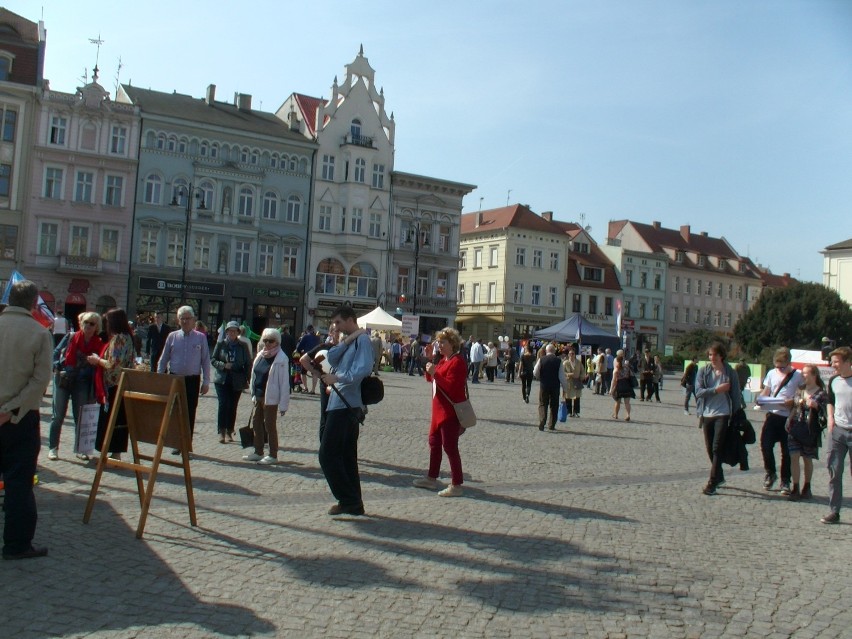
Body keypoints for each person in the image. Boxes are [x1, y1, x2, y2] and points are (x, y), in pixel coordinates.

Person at [0, 280, 53, 560]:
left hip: (12, 414)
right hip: (19, 420)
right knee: (19, 483)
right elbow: (41, 380)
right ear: (34, 303)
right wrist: (10, 410)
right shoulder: (39, 332)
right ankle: (17, 544)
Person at [318, 306, 374, 516]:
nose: (336, 327)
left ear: (351, 320)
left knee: (327, 455)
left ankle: (347, 499)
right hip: (338, 402)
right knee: (345, 455)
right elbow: (331, 357)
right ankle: (354, 502)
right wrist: (348, 339)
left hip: (348, 405)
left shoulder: (364, 341)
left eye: (339, 323)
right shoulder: (352, 340)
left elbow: (363, 369)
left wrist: (338, 378)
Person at [413, 327, 469, 497]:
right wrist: (429, 361)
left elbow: (451, 387)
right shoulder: (444, 360)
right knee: (434, 443)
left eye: (442, 342)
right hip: (438, 411)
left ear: (452, 344)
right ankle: (431, 478)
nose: (439, 345)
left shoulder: (457, 361)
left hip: (449, 412)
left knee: (450, 447)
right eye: (438, 342)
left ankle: (457, 484)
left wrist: (434, 373)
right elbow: (431, 379)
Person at [48, 311, 103, 461]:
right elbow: (56, 352)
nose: (88, 326)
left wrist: (97, 361)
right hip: (64, 379)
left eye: (92, 324)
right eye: (85, 322)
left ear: (97, 326)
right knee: (58, 415)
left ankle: (81, 450)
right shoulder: (71, 336)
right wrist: (56, 367)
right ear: (81, 323)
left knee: (80, 417)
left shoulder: (98, 343)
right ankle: (53, 448)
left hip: (82, 382)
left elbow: (101, 364)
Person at [158, 305, 211, 454]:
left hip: (192, 380)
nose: (186, 321)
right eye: (183, 319)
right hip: (175, 378)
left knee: (189, 412)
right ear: (178, 320)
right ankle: (177, 442)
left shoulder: (200, 338)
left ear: (194, 320)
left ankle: (186, 445)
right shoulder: (172, 336)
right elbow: (163, 359)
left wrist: (206, 381)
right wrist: (160, 377)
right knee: (175, 411)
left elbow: (205, 360)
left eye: (188, 318)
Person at [87, 308, 136, 460]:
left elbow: (112, 364)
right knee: (119, 419)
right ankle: (116, 453)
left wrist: (97, 360)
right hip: (122, 383)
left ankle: (108, 452)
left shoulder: (119, 339)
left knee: (110, 419)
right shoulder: (128, 336)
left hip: (113, 385)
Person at [694, 340, 742, 496]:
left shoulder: (730, 372)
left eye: (714, 354)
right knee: (709, 448)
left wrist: (736, 414)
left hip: (723, 413)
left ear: (721, 356)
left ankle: (712, 482)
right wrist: (716, 390)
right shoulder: (703, 371)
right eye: (709, 354)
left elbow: (736, 395)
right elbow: (699, 392)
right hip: (707, 413)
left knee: (717, 447)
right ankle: (719, 475)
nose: (711, 357)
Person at [758, 347, 802, 495]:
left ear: (789, 362)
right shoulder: (771, 373)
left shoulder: (797, 375)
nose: (780, 369)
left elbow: (802, 394)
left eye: (783, 367)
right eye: (777, 366)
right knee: (765, 445)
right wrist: (761, 399)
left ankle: (785, 480)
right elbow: (766, 391)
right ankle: (770, 472)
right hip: (772, 415)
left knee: (786, 451)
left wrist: (793, 401)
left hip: (788, 417)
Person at [244, 328, 289, 465]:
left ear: (277, 342)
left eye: (271, 341)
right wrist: (252, 392)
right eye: (265, 340)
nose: (268, 343)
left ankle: (273, 454)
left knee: (269, 425)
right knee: (256, 423)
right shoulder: (260, 355)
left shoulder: (282, 358)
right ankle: (258, 451)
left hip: (271, 397)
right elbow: (254, 374)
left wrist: (283, 404)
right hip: (258, 395)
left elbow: (284, 383)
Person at [786, 364, 827, 501]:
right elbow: (795, 407)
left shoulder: (821, 392)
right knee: (794, 456)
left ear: (814, 375)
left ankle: (807, 486)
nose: (803, 375)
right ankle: (795, 487)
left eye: (805, 373)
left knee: (807, 459)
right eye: (802, 373)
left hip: (810, 430)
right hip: (796, 427)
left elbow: (825, 411)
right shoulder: (800, 390)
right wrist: (789, 419)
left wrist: (816, 405)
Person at [821, 346, 852, 524]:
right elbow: (830, 401)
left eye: (837, 362)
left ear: (848, 362)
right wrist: (831, 418)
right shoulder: (833, 380)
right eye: (832, 362)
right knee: (834, 471)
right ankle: (834, 511)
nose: (833, 365)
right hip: (838, 431)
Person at [211, 321, 252, 444]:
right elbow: (213, 359)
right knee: (223, 404)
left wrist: (249, 379)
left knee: (232, 406)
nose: (232, 333)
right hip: (222, 379)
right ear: (227, 332)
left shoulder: (243, 346)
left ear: (238, 332)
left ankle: (230, 430)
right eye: (230, 331)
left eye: (235, 331)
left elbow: (248, 363)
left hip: (237, 379)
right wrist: (223, 365)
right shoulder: (221, 344)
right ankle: (221, 431)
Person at [300, 321, 341, 440]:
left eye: (341, 331)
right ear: (331, 333)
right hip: (327, 387)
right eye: (337, 331)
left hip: (342, 386)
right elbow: (304, 360)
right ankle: (324, 444)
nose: (339, 334)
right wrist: (319, 374)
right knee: (326, 416)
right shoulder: (324, 347)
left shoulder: (345, 348)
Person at [533, 344, 568, 431]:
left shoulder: (542, 359)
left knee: (542, 403)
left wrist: (539, 377)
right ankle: (551, 424)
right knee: (554, 405)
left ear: (546, 351)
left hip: (544, 385)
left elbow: (535, 372)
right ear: (554, 351)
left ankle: (542, 420)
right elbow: (561, 376)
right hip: (555, 386)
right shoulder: (558, 361)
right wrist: (565, 387)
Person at [610, 349, 635, 421]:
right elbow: (632, 375)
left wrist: (611, 389)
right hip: (627, 385)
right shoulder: (627, 367)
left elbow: (614, 380)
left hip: (619, 385)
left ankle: (616, 414)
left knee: (617, 401)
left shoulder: (616, 370)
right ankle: (628, 415)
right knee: (627, 402)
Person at [295, 325, 320, 394]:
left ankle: (306, 388)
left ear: (307, 330)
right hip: (316, 356)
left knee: (303, 372)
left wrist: (300, 351)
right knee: (314, 372)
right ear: (313, 330)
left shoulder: (305, 336)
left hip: (307, 356)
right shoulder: (317, 337)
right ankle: (313, 389)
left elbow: (299, 347)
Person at [562, 348, 584, 418]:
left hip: (577, 382)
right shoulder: (565, 363)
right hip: (568, 382)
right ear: (568, 355)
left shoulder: (579, 362)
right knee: (568, 397)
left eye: (573, 354)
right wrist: (568, 374)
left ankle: (576, 412)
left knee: (577, 398)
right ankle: (569, 412)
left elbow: (583, 371)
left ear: (575, 355)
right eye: (570, 354)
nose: (571, 355)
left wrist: (581, 376)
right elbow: (562, 372)